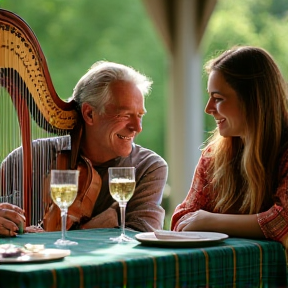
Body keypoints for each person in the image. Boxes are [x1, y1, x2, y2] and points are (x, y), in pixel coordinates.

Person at [0, 61, 168, 236]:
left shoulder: (148, 167)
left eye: (139, 115)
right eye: (125, 115)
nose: (137, 127)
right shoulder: (25, 158)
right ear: (89, 114)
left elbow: (143, 235)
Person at [171, 46, 288, 247]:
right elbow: (182, 219)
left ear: (253, 100)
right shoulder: (214, 155)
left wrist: (211, 221)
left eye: (218, 99)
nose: (208, 109)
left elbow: (282, 221)